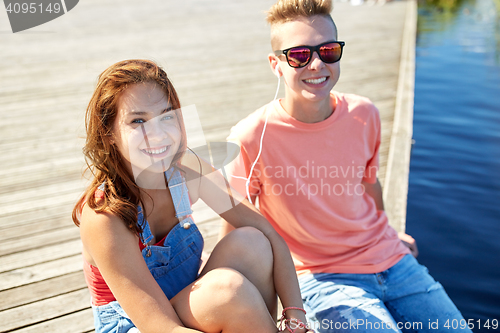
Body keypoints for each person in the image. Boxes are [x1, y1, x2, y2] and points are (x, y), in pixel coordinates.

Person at [220, 1, 471, 332]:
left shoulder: (365, 114)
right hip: (321, 277)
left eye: (327, 50)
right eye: (298, 55)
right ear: (276, 64)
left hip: (393, 262)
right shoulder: (250, 137)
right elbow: (235, 221)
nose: (316, 64)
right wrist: (229, 293)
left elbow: (370, 184)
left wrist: (390, 231)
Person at [72, 59, 312, 333]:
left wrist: (296, 318)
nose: (158, 134)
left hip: (182, 306)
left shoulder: (187, 169)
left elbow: (268, 232)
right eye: (138, 121)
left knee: (252, 242)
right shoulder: (104, 216)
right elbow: (161, 327)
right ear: (109, 133)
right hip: (141, 326)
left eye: (166, 116)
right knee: (227, 291)